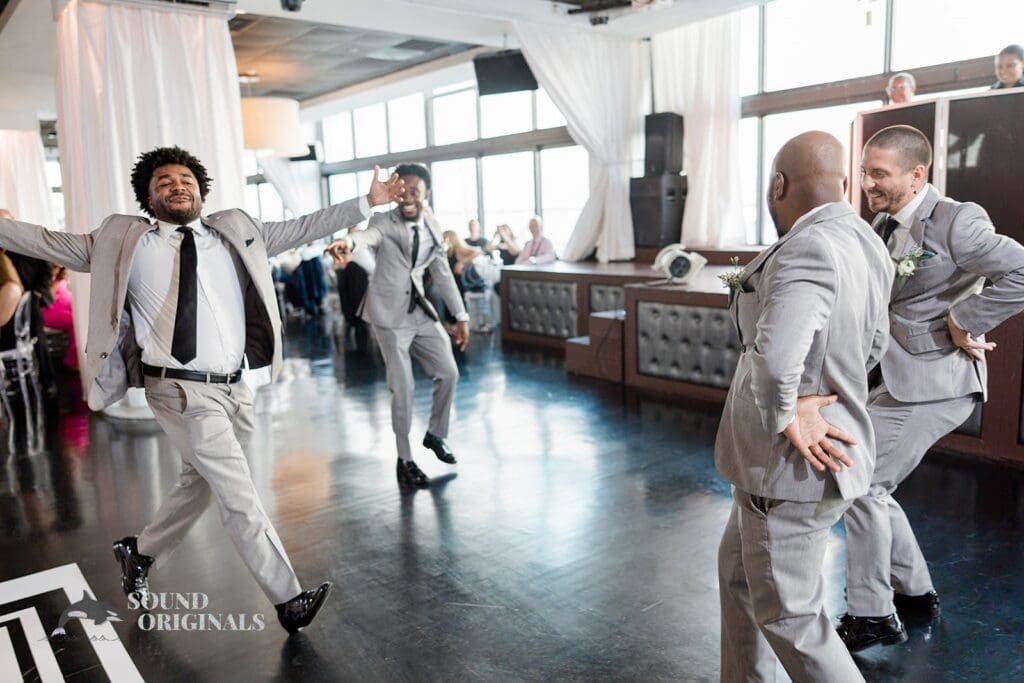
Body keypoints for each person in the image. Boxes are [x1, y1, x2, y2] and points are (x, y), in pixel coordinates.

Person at [0, 146, 404, 634]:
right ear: (148, 198)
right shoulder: (123, 241)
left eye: (185, 178)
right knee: (239, 495)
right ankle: (288, 598)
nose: (177, 184)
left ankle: (140, 553)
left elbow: (303, 227)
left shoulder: (235, 233)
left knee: (201, 483)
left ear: (200, 189)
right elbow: (44, 240)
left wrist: (365, 203)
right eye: (164, 181)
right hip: (178, 390)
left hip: (236, 388)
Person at [838, 125, 1024, 651]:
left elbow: (1021, 271)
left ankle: (872, 614)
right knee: (869, 485)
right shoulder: (879, 224)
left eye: (880, 174)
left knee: (861, 485)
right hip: (892, 378)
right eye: (865, 172)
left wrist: (965, 321)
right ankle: (915, 592)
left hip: (940, 379)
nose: (868, 183)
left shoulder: (957, 220)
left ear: (917, 173)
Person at [716, 131, 893, 682]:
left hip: (788, 469)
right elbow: (877, 344)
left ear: (778, 185)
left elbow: (772, 363)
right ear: (843, 183)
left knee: (793, 619)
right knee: (739, 579)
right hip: (815, 458)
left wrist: (791, 411)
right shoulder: (867, 241)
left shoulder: (808, 247)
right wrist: (828, 387)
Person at [326, 163, 468, 489]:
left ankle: (435, 434)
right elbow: (365, 236)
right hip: (389, 318)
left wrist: (461, 317)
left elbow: (444, 274)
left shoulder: (432, 224)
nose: (406, 198)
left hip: (420, 312)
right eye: (401, 191)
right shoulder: (382, 222)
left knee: (449, 372)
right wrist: (348, 243)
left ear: (426, 195)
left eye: (414, 192)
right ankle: (405, 460)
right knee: (402, 389)